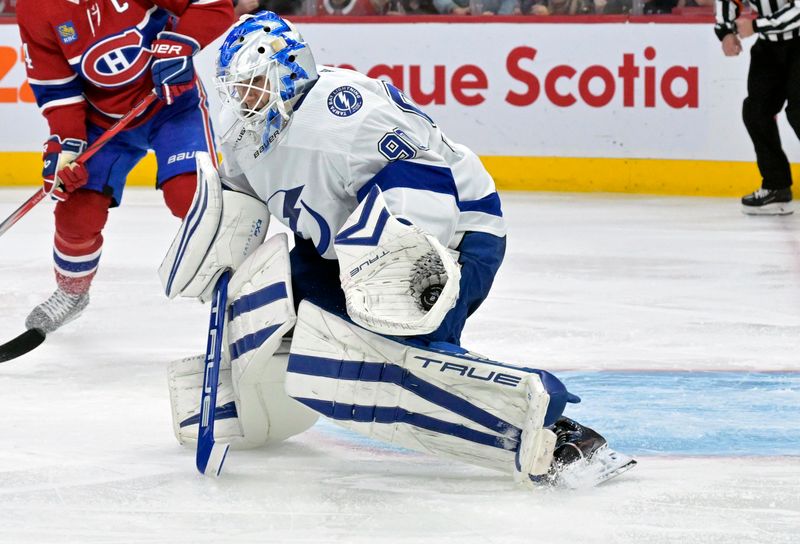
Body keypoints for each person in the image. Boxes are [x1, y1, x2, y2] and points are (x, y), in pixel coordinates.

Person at [162, 11, 636, 488]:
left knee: (395, 344)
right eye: (236, 88)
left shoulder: (345, 116)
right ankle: (251, 397)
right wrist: (219, 252)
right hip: (346, 250)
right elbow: (237, 206)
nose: (243, 99)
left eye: (253, 84)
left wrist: (390, 284)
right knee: (271, 299)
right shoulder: (251, 133)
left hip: (458, 238)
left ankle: (558, 432)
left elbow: (427, 191)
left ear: (288, 72)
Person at [16, 0, 235, 334]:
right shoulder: (35, 8)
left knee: (191, 196)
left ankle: (242, 288)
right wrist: (66, 145)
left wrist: (181, 42)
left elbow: (212, 5)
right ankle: (72, 294)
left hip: (171, 104)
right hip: (101, 123)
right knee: (77, 214)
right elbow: (57, 86)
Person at [715, 0, 798, 215]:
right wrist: (726, 32)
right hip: (769, 48)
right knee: (756, 112)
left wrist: (756, 25)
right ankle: (776, 186)